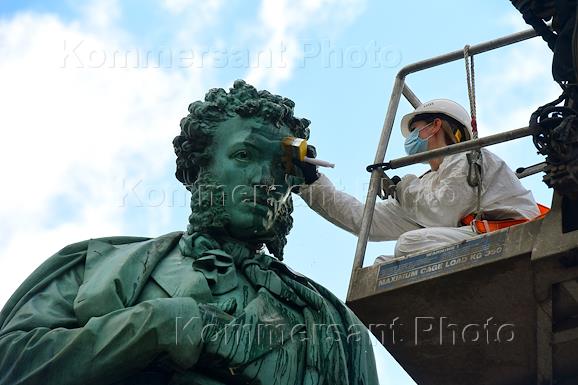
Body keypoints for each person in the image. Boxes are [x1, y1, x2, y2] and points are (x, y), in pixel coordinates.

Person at [0, 80, 378, 385]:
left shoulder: (332, 322)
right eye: (244, 156)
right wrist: (159, 325)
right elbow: (11, 363)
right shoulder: (98, 263)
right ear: (199, 167)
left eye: (280, 169)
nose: (266, 181)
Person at [298, 99, 540, 261]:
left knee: (408, 244)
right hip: (475, 237)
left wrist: (403, 188)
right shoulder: (427, 185)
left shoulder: (468, 157)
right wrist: (312, 182)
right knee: (381, 265)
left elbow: (440, 212)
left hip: (516, 235)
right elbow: (365, 221)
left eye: (416, 129)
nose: (411, 137)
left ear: (436, 126)